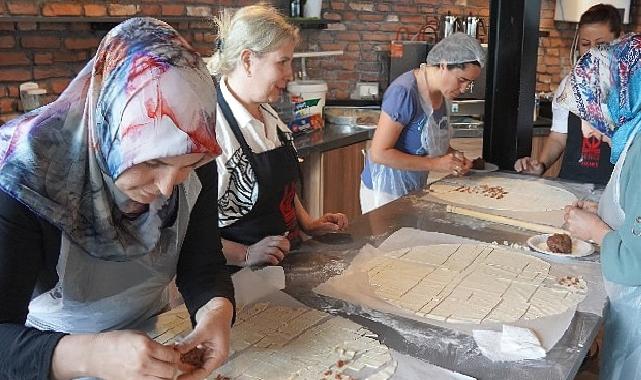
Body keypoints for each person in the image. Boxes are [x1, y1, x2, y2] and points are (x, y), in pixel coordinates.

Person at [0, 18, 235, 380]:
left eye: (187, 165)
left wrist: (216, 312)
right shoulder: (26, 175)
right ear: (106, 128)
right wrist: (91, 353)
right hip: (45, 355)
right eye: (152, 162)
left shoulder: (192, 150)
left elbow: (202, 263)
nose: (167, 188)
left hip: (149, 336)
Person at [207, 5, 348, 268]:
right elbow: (189, 230)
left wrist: (308, 223)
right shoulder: (212, 129)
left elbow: (280, 185)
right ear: (248, 60)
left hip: (286, 262)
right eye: (282, 62)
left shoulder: (267, 114)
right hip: (237, 279)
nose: (290, 73)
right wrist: (245, 254)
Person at [558, 33, 641, 380]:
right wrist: (602, 213)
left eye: (589, 111)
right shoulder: (633, 137)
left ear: (616, 99)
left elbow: (635, 263)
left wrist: (595, 231)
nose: (588, 130)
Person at [359, 33, 485, 213]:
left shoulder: (441, 94)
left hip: (413, 187)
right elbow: (379, 153)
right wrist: (436, 164)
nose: (464, 89)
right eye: (461, 80)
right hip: (383, 191)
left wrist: (453, 157)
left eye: (469, 83)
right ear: (443, 64)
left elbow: (428, 142)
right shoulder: (404, 93)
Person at [514, 4, 622, 184]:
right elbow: (558, 137)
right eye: (586, 44)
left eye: (601, 44)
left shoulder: (632, 89)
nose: (593, 51)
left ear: (619, 42)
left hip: (614, 193)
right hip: (570, 186)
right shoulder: (569, 85)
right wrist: (540, 165)